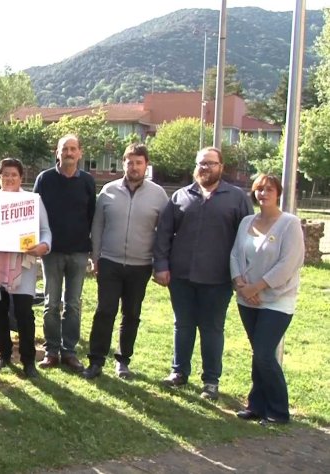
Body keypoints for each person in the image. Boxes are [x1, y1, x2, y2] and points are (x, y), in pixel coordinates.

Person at [153, 146, 253, 400]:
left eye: (210, 163)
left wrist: (242, 273)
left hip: (218, 278)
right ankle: (179, 372)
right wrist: (161, 265)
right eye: (201, 163)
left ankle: (210, 381)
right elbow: (164, 233)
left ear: (221, 167)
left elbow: (246, 240)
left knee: (212, 329)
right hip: (181, 276)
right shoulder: (181, 196)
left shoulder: (237, 198)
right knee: (183, 325)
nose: (205, 167)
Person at [82, 144, 168, 379]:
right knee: (105, 311)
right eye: (130, 162)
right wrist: (96, 257)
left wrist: (160, 262)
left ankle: (123, 361)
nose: (134, 167)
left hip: (141, 264)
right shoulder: (108, 191)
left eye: (139, 163)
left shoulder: (158, 195)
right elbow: (97, 226)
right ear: (123, 164)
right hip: (109, 261)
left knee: (131, 314)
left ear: (146, 165)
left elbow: (164, 232)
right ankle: (96, 360)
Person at [230, 174, 304, 424]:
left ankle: (279, 411)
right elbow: (235, 255)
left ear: (278, 193)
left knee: (263, 353)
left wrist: (257, 287)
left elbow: (288, 263)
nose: (264, 194)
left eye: (269, 189)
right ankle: (257, 405)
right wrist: (241, 284)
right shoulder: (247, 221)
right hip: (247, 299)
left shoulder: (289, 224)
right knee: (258, 353)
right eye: (259, 189)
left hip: (276, 300)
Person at [33, 134, 95, 372]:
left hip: (79, 252)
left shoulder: (87, 181)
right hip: (52, 252)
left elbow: (92, 215)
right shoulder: (44, 179)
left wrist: (90, 249)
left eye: (73, 149)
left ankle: (69, 351)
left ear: (80, 153)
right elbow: (34, 212)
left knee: (73, 304)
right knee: (51, 304)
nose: (69, 153)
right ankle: (51, 351)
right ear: (57, 153)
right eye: (64, 149)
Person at [0, 158, 52, 379]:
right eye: (5, 174)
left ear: (21, 177)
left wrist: (44, 245)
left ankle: (28, 360)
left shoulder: (32, 200)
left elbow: (45, 230)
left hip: (23, 265)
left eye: (14, 174)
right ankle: (3, 354)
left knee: (24, 313)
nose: (9, 178)